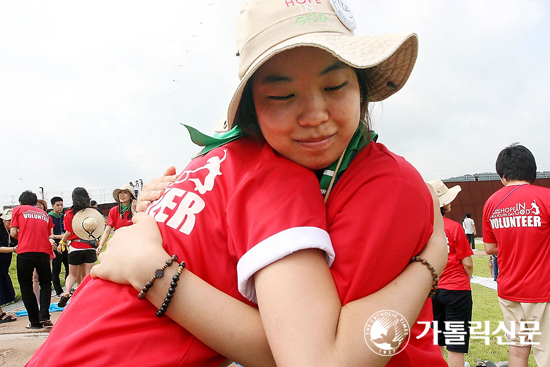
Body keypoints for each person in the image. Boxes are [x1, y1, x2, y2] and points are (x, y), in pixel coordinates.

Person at [27, 1, 447, 366]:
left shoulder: (377, 183)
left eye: (335, 85)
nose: (315, 114)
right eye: (282, 97)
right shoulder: (276, 179)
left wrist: (150, 271)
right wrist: (429, 265)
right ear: (251, 108)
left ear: (361, 87)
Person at [483, 143, 550, 367]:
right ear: (532, 171)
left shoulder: (492, 203)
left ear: (502, 175)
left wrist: (514, 245)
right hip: (541, 290)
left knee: (518, 348)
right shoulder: (546, 197)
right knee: (546, 351)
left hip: (509, 290)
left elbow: (490, 248)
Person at [428, 180, 474, 367]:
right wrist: (465, 279)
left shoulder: (425, 228)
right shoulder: (454, 227)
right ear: (444, 204)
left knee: (436, 339)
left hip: (431, 290)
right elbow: (468, 263)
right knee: (456, 342)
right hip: (456, 290)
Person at [10, 190, 55, 329]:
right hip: (43, 252)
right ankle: (44, 316)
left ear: (21, 202)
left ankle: (34, 322)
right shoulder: (45, 215)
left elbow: (13, 232)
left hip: (25, 251)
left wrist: (23, 236)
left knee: (25, 286)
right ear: (36, 203)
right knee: (46, 283)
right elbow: (47, 234)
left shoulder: (18, 210)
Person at [57, 188, 105, 308]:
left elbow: (68, 233)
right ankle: (88, 297)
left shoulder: (69, 213)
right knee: (88, 275)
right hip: (90, 246)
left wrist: (61, 243)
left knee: (72, 274)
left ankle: (67, 291)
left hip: (75, 247)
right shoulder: (93, 212)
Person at [96, 184, 135, 254]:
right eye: (120, 192)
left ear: (131, 196)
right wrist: (101, 245)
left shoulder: (137, 209)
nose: (122, 195)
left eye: (125, 192)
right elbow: (107, 230)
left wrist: (135, 211)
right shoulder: (114, 210)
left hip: (133, 244)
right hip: (118, 244)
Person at [0, 209, 17, 323]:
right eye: (9, 220)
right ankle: (1, 314)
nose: (11, 222)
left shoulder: (10, 232)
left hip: (3, 266)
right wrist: (13, 249)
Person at [49, 196, 68, 296]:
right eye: (57, 205)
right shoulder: (50, 217)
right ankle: (58, 290)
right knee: (56, 269)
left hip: (65, 244)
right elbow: (51, 235)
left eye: (61, 205)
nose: (60, 207)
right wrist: (65, 236)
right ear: (53, 206)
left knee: (69, 266)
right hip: (55, 245)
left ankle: (67, 288)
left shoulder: (63, 216)